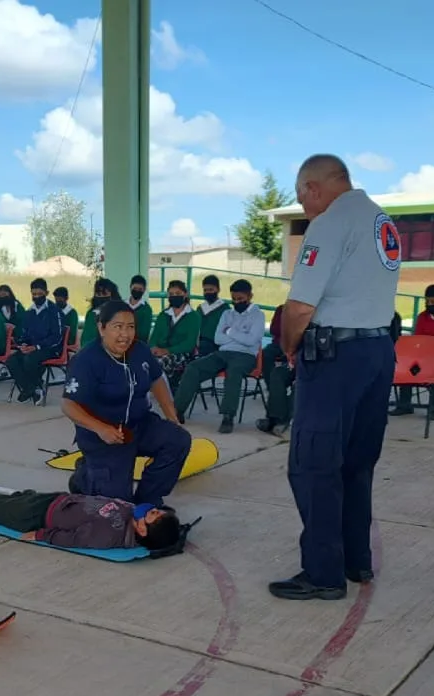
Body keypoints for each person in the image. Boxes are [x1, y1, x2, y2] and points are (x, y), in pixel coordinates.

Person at [270, 154, 399, 601]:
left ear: (313, 187)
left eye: (301, 195)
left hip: (335, 358)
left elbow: (300, 306)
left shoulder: (329, 223)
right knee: (357, 463)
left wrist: (288, 348)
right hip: (378, 351)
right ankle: (355, 560)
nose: (303, 205)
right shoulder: (382, 221)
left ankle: (323, 572)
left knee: (314, 464)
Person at [61, 300, 192, 507]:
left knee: (178, 440)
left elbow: (156, 379)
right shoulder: (86, 360)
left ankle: (148, 499)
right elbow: (68, 405)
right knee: (118, 505)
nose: (125, 334)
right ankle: (85, 476)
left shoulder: (140, 350)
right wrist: (101, 429)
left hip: (139, 424)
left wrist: (172, 417)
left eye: (130, 327)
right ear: (102, 328)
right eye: (118, 327)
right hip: (105, 436)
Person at [0, 474, 182, 551]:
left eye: (153, 516)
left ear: (142, 530)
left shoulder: (108, 535)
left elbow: (72, 539)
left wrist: (40, 535)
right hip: (57, 501)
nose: (152, 510)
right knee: (18, 497)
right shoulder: (132, 514)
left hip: (38, 517)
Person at [172, 279, 265, 433]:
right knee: (194, 367)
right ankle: (177, 410)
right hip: (223, 353)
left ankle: (228, 416)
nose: (237, 302)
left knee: (233, 372)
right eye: (234, 299)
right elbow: (217, 339)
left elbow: (251, 341)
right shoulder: (227, 314)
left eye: (240, 299)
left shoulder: (258, 315)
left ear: (250, 296)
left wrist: (229, 332)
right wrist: (239, 335)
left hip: (246, 356)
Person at [390, 284, 434, 421]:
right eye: (427, 302)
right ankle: (404, 404)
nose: (430, 305)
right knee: (407, 362)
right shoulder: (423, 317)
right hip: (427, 352)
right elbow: (418, 339)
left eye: (433, 302)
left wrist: (433, 352)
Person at [6, 277, 64, 405]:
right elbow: (25, 333)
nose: (36, 297)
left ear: (46, 293)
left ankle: (33, 389)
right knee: (11, 360)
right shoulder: (30, 312)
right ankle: (31, 389)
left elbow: (57, 337)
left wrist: (37, 347)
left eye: (39, 294)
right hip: (32, 348)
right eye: (34, 294)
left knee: (29, 359)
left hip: (50, 349)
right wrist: (23, 344)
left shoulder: (54, 311)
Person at [148, 279, 201, 393]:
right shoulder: (164, 315)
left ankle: (166, 391)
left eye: (177, 294)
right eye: (171, 294)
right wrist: (153, 348)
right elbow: (154, 337)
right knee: (140, 361)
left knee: (160, 362)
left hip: (182, 354)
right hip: (161, 351)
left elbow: (189, 344)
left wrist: (167, 350)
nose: (174, 296)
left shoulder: (193, 316)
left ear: (185, 294)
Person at [256, 303, 294, 436]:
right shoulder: (282, 309)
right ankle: (274, 417)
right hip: (281, 345)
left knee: (300, 383)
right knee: (276, 374)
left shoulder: (313, 312)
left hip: (304, 354)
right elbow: (275, 330)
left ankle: (281, 420)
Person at [79, 278, 121, 346]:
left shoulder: (120, 313)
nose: (101, 297)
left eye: (104, 294)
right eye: (98, 294)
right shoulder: (91, 314)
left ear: (113, 295)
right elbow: (85, 340)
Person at [128, 275, 153, 343]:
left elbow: (144, 334)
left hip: (137, 344)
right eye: (135, 288)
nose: (137, 291)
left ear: (144, 290)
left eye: (140, 289)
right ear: (130, 287)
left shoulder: (147, 310)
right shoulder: (122, 305)